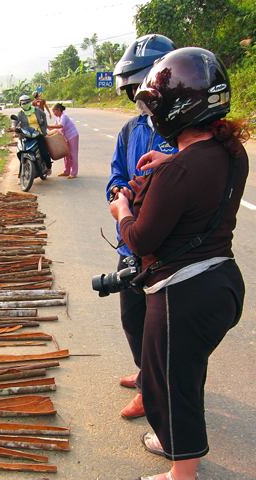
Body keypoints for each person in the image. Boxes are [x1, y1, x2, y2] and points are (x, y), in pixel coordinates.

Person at [109, 46, 249, 480]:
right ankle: (172, 443)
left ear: (175, 109)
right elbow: (201, 170)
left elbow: (140, 240)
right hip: (221, 283)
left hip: (181, 295)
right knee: (182, 372)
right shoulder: (232, 153)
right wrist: (172, 163)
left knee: (173, 385)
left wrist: (123, 207)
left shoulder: (181, 171)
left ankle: (183, 478)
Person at [106, 34, 177, 419]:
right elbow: (117, 171)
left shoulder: (184, 129)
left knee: (159, 327)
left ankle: (155, 390)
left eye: (142, 87)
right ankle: (146, 373)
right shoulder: (131, 130)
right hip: (130, 241)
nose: (137, 96)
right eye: (132, 90)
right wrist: (118, 191)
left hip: (167, 249)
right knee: (132, 316)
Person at [11, 94, 52, 175]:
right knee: (21, 153)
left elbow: (43, 115)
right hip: (25, 135)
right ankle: (22, 174)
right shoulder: (21, 113)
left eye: (27, 102)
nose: (26, 104)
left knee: (44, 152)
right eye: (23, 103)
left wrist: (44, 127)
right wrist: (13, 126)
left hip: (38, 134)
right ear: (20, 105)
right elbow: (16, 121)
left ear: (30, 102)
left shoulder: (36, 110)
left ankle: (48, 166)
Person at [48, 103, 79, 179]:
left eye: (54, 111)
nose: (54, 113)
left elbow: (61, 126)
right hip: (66, 137)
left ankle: (74, 172)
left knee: (73, 154)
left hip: (72, 136)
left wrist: (49, 126)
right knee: (66, 154)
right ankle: (67, 171)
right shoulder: (58, 118)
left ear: (59, 110)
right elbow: (55, 129)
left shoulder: (64, 116)